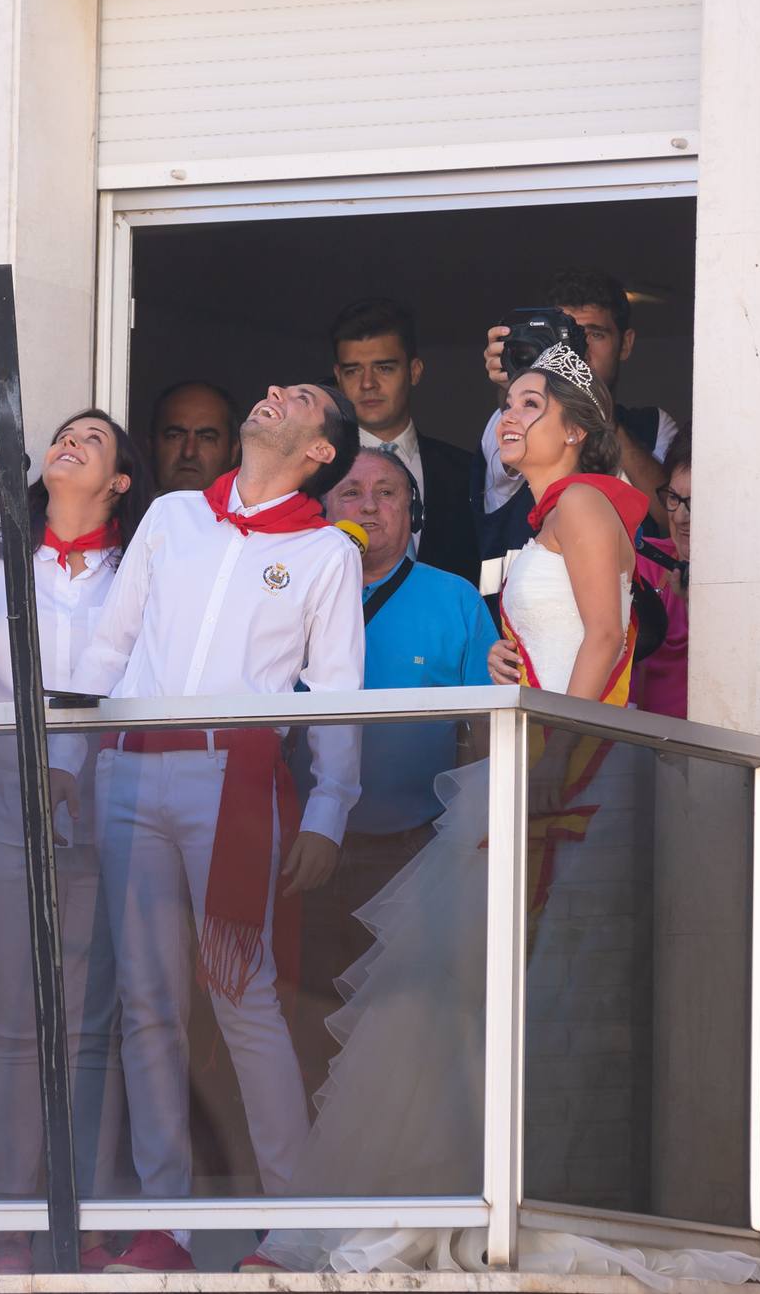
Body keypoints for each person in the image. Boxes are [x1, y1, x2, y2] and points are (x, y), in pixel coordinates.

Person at [251, 341, 657, 1274]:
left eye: (528, 404)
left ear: (576, 428)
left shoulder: (587, 502)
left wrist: (548, 768)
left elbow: (604, 635)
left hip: (560, 779)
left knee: (469, 998)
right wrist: (514, 666)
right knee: (446, 998)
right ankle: (437, 1198)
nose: (507, 418)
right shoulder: (551, 511)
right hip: (528, 766)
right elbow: (563, 638)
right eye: (505, 404)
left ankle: (475, 1200)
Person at [64, 383, 363, 1274]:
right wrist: (67, 763)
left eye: (298, 396)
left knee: (244, 998)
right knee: (148, 1006)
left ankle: (290, 1222)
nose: (271, 395)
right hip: (130, 764)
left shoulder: (322, 552)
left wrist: (329, 807)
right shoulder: (172, 517)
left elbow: (338, 694)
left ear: (320, 450)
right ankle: (169, 1222)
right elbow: (111, 646)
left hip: (232, 779)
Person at [0, 410, 151, 1275]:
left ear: (119, 481)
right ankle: (10, 1209)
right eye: (64, 434)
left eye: (95, 439)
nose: (69, 442)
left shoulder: (144, 566)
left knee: (94, 1024)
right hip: (8, 801)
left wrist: (78, 766)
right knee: (12, 1018)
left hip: (110, 799)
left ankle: (94, 1207)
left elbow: (138, 676)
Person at [292, 447, 498, 1077]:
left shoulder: (454, 598)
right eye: (350, 492)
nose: (369, 506)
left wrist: (472, 837)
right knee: (303, 1016)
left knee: (409, 1025)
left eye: (387, 493)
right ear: (326, 505)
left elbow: (489, 729)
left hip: (417, 850)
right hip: (299, 846)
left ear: (413, 511)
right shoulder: (289, 589)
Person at [478, 268, 680, 555]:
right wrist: (516, 381)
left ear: (626, 343)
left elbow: (675, 518)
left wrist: (596, 408)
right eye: (568, 336)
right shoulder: (508, 419)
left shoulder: (652, 425)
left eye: (595, 335)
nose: (579, 352)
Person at [329, 297, 486, 582]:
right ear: (338, 377)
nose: (367, 383)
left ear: (414, 371)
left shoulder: (468, 472)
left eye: (384, 368)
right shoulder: (318, 473)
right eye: (353, 370)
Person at [632, 429, 692, 718]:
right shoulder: (641, 561)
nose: (680, 516)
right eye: (673, 498)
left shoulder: (754, 583)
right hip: (628, 749)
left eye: (695, 502)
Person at [149, 380, 241, 495]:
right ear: (151, 445)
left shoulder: (256, 512)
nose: (189, 453)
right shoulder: (130, 512)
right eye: (175, 436)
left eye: (207, 438)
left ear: (233, 451)